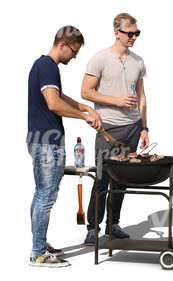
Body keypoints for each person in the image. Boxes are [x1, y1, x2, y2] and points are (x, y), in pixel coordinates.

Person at [27, 26, 102, 267]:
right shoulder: (48, 66)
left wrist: (84, 107)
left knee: (41, 194)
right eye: (74, 51)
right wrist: (85, 117)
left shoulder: (42, 65)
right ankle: (38, 253)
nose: (75, 56)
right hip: (48, 143)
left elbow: (58, 96)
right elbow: (53, 104)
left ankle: (39, 242)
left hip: (39, 140)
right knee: (45, 196)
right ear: (62, 45)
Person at [81, 13, 149, 244]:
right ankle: (92, 228)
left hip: (132, 127)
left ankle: (113, 225)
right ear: (116, 33)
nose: (134, 37)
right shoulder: (99, 59)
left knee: (122, 179)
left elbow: (142, 97)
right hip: (108, 128)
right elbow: (86, 92)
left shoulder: (138, 61)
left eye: (136, 33)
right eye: (130, 33)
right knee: (102, 178)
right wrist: (116, 100)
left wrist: (144, 128)